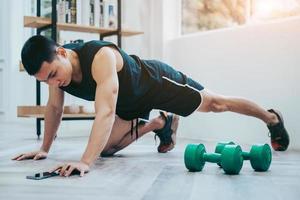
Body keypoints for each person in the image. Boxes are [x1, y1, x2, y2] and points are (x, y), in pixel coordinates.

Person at [12, 35, 289, 177]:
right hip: (130, 105)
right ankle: (161, 122)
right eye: (44, 80)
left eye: (51, 75)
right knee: (106, 150)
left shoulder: (99, 57)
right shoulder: (58, 76)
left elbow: (106, 111)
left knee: (216, 104)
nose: (53, 82)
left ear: (61, 52)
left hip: (157, 83)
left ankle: (271, 118)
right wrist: (45, 149)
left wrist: (85, 162)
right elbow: (54, 109)